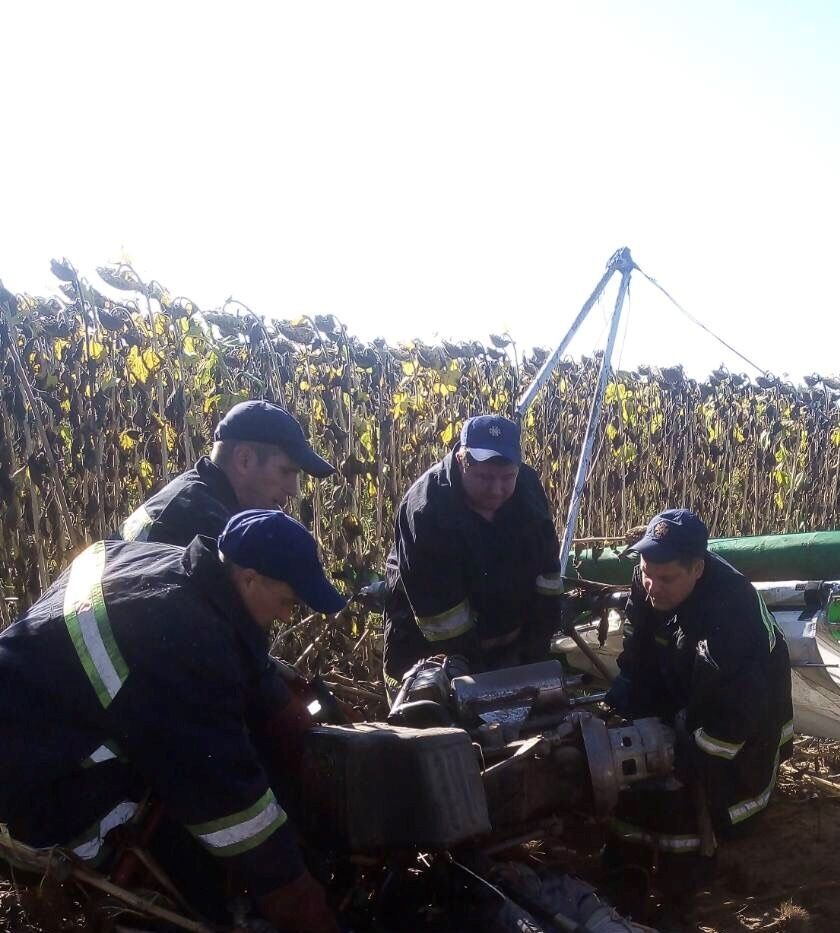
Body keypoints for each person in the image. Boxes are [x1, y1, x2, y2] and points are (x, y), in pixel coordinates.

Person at [0, 510, 346, 933]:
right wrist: (300, 902)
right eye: (288, 602)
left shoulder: (162, 564)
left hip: (38, 716)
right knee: (194, 875)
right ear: (250, 578)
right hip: (32, 783)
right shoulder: (187, 645)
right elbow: (231, 807)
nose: (289, 616)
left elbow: (245, 659)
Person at [604, 508, 793, 920]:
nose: (652, 586)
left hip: (745, 713)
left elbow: (735, 718)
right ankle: (624, 867)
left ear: (698, 569)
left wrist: (687, 760)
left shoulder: (732, 617)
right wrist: (628, 714)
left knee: (689, 794)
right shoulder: (650, 578)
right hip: (690, 687)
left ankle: (682, 884)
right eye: (646, 571)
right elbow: (637, 656)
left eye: (666, 578)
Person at [382, 414, 564, 691]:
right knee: (439, 728)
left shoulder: (528, 489)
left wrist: (531, 652)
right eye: (484, 477)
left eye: (507, 477)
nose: (497, 490)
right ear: (460, 461)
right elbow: (442, 620)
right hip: (429, 650)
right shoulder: (426, 510)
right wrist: (481, 678)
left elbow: (548, 577)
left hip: (510, 646)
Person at [116, 400, 335, 546]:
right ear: (244, 459)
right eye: (286, 472)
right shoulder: (205, 528)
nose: (293, 490)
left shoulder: (189, 493)